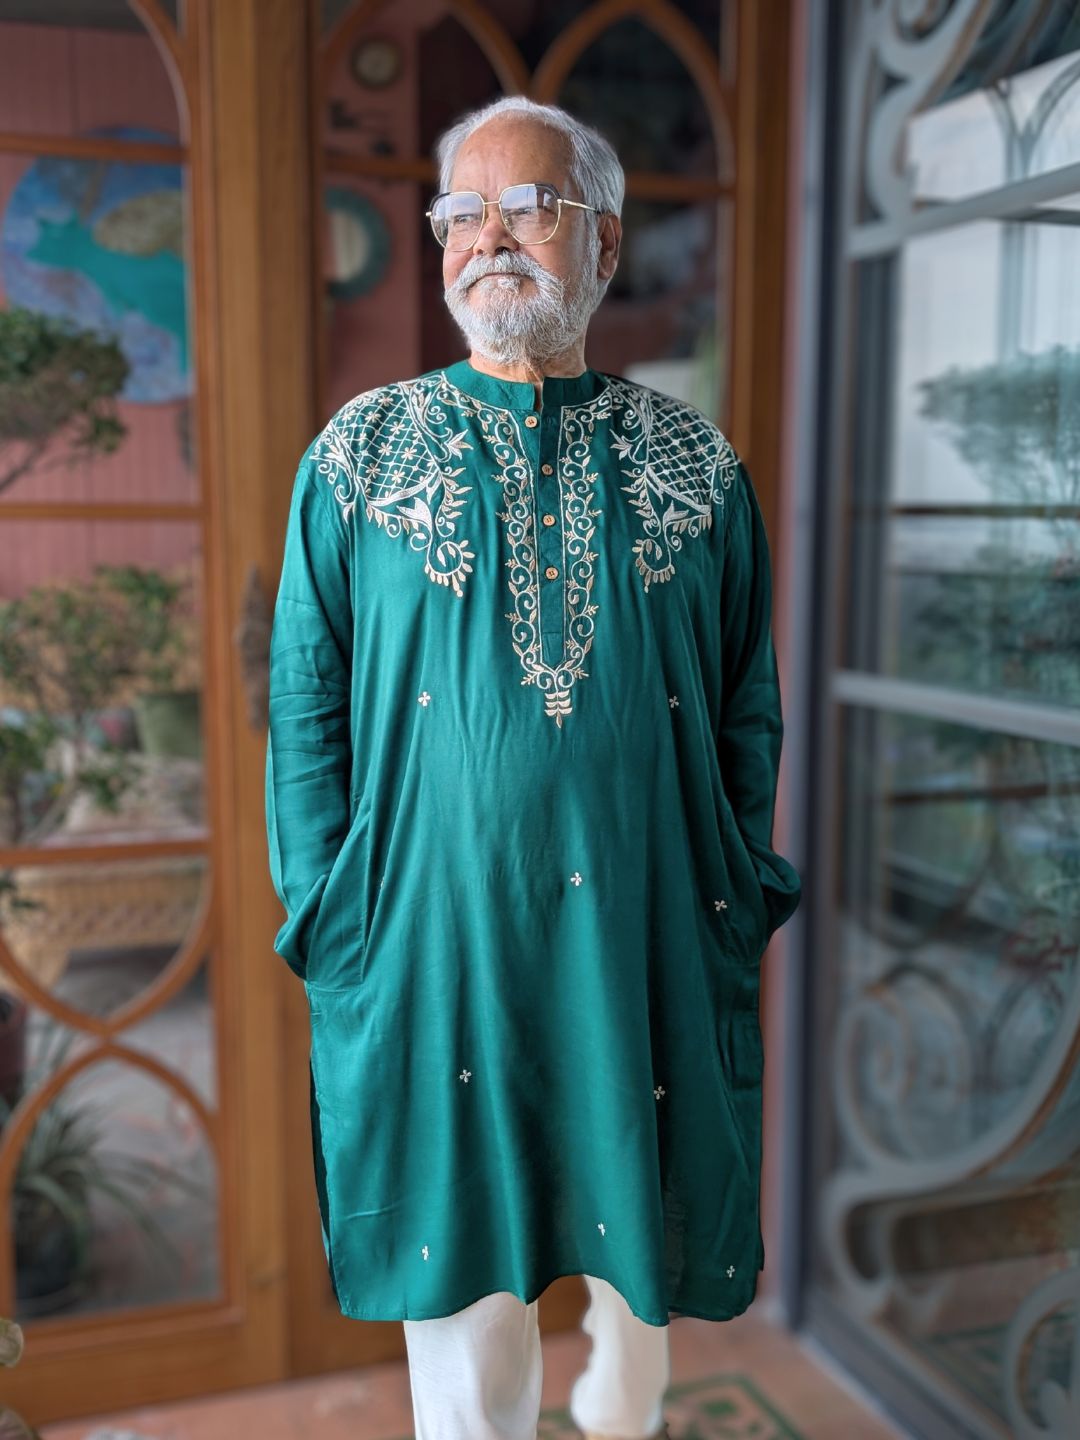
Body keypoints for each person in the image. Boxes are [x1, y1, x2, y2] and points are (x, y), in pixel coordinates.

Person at [265, 94, 802, 1440]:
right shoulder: (359, 456)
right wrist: (334, 912)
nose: (487, 239)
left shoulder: (696, 463)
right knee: (463, 1294)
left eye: (527, 207)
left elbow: (747, 703)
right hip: (433, 937)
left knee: (642, 1277)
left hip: (644, 929)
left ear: (603, 242)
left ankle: (625, 1419)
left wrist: (732, 881)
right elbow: (307, 705)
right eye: (462, 213)